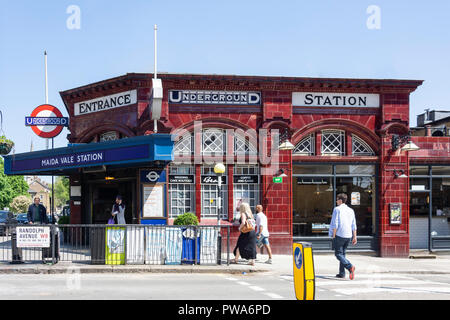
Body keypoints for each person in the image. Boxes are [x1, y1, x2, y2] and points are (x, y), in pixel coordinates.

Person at [329, 193, 357, 280]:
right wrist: (354, 237)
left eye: (337, 199)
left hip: (339, 234)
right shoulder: (351, 210)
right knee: (343, 254)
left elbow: (335, 223)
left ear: (340, 200)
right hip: (348, 235)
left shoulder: (337, 209)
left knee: (338, 254)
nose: (336, 201)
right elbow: (354, 224)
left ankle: (350, 267)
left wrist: (333, 236)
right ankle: (342, 273)